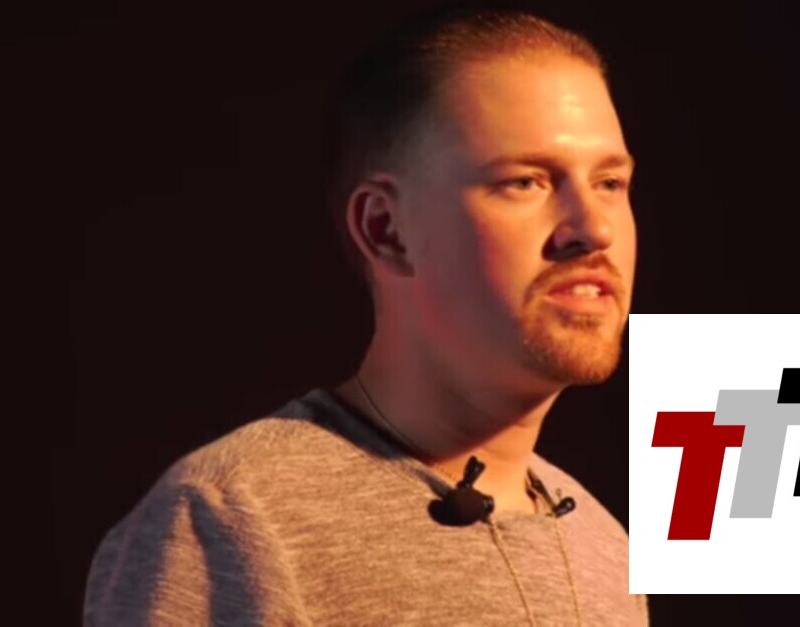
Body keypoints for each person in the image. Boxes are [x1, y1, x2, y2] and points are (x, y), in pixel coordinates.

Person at [84, 6, 648, 625]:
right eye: (525, 182)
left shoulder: (605, 547)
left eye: (610, 183)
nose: (593, 228)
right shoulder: (226, 522)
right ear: (386, 231)